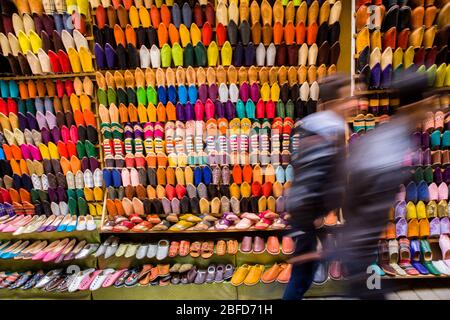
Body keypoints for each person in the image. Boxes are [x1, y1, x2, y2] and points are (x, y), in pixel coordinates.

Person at [283, 74, 355, 300]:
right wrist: (316, 213)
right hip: (309, 212)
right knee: (302, 274)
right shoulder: (331, 130)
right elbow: (320, 175)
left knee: (306, 268)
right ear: (333, 102)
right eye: (346, 99)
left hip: (306, 209)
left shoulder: (305, 125)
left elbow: (296, 163)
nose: (351, 104)